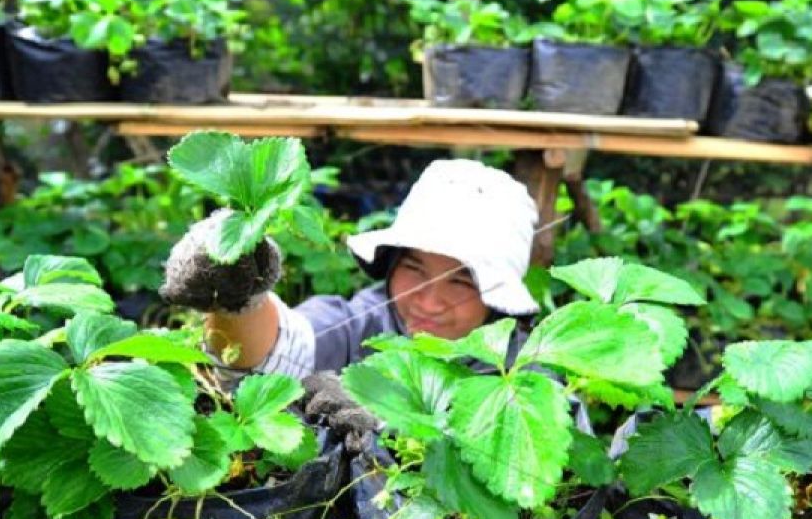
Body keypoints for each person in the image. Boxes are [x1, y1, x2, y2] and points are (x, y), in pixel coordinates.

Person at [160, 158, 540, 379]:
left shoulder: (533, 372)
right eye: (415, 269)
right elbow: (289, 345)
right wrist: (238, 291)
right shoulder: (361, 326)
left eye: (460, 282)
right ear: (390, 263)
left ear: (498, 299)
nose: (429, 300)